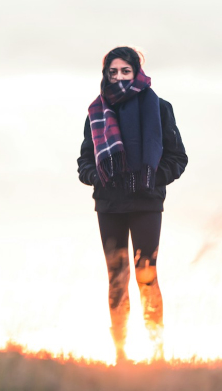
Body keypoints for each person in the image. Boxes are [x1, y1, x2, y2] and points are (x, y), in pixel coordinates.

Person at [77, 46, 188, 363]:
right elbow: (85, 160)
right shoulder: (96, 113)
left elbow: (177, 157)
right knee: (117, 278)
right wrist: (97, 177)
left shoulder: (159, 107)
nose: (119, 77)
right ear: (106, 74)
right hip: (109, 204)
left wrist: (153, 179)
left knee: (146, 275)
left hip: (146, 204)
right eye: (114, 72)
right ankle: (121, 355)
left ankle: (157, 353)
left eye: (126, 71)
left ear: (137, 71)